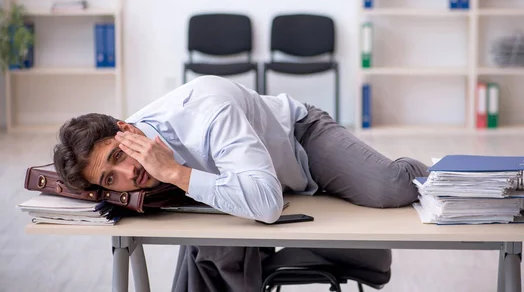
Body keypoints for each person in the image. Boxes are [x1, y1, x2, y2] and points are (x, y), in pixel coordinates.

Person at [53, 75, 429, 292]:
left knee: (387, 187)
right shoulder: (122, 158)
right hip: (253, 180)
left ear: (128, 131)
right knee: (213, 248)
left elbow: (265, 205)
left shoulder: (208, 111)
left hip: (299, 144)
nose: (127, 177)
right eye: (109, 179)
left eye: (120, 157)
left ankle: (424, 170)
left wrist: (175, 173)